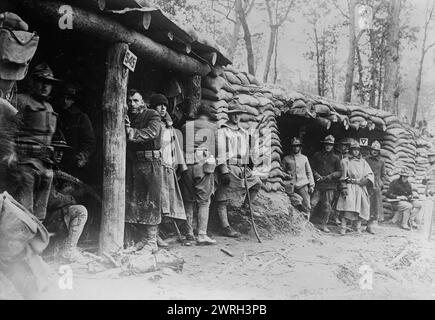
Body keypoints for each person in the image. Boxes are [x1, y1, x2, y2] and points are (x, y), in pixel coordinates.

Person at [14, 63, 61, 220]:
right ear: (32, 82)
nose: (45, 86)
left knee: (40, 214)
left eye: (49, 83)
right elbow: (7, 131)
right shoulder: (21, 101)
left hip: (45, 166)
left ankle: (35, 239)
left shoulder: (49, 107)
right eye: (41, 81)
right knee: (23, 212)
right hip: (24, 164)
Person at [215, 104, 262, 238]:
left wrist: (249, 165)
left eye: (238, 113)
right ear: (229, 114)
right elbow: (221, 152)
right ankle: (225, 226)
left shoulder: (243, 132)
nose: (236, 116)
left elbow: (248, 152)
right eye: (234, 113)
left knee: (257, 183)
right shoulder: (223, 131)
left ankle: (246, 207)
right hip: (229, 166)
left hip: (242, 167)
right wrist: (223, 171)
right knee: (222, 196)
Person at [125, 90, 163, 253]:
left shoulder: (152, 114)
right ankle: (143, 239)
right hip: (137, 163)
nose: (132, 104)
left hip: (151, 162)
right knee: (138, 200)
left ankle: (152, 242)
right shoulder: (130, 118)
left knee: (151, 200)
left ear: (143, 102)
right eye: (129, 101)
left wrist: (131, 132)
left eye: (135, 101)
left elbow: (152, 132)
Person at [44, 136, 88, 263]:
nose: (59, 154)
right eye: (56, 149)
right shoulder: (46, 169)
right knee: (80, 211)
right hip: (42, 217)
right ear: (49, 149)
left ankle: (63, 248)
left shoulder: (52, 167)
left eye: (62, 151)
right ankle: (68, 251)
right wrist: (70, 198)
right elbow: (51, 200)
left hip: (45, 214)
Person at [153, 94, 187, 247]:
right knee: (157, 201)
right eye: (159, 106)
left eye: (164, 106)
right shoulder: (153, 124)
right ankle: (154, 236)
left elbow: (174, 147)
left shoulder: (169, 126)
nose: (162, 108)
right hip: (156, 167)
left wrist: (178, 165)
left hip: (168, 168)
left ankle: (160, 233)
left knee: (167, 202)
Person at [180, 105, 218, 245]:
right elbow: (218, 149)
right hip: (203, 166)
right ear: (208, 115)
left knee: (188, 200)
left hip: (187, 166)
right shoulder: (213, 128)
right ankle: (202, 235)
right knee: (204, 201)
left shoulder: (185, 126)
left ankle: (189, 233)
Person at [56, 83, 95, 180]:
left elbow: (89, 142)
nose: (65, 101)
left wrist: (82, 156)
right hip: (57, 160)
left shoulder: (81, 117)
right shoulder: (55, 115)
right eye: (63, 98)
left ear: (73, 100)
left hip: (74, 163)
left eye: (68, 98)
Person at [336, 141, 374, 235]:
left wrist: (366, 180)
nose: (356, 152)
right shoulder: (345, 161)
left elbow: (369, 173)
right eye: (354, 150)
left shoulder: (363, 162)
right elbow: (342, 176)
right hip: (350, 186)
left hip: (360, 186)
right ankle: (343, 228)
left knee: (360, 207)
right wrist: (344, 187)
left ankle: (358, 228)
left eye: (357, 150)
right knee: (347, 207)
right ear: (351, 150)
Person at [310, 135, 341, 233]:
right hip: (318, 184)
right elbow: (311, 168)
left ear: (333, 146)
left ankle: (324, 225)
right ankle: (307, 223)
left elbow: (340, 172)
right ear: (324, 145)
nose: (328, 146)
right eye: (327, 144)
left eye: (330, 145)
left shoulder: (336, 158)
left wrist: (331, 176)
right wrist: (316, 175)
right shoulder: (317, 155)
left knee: (327, 206)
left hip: (330, 185)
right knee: (313, 203)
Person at [282, 137, 315, 218]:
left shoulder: (304, 158)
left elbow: (309, 172)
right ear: (292, 147)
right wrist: (286, 175)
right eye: (294, 146)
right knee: (293, 203)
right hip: (290, 185)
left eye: (297, 146)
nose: (296, 148)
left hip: (303, 184)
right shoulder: (286, 158)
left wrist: (311, 185)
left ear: (300, 147)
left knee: (306, 204)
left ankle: (307, 224)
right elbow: (281, 171)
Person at [365, 140, 386, 233]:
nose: (374, 151)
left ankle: (370, 225)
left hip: (376, 186)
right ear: (370, 150)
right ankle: (357, 224)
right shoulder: (365, 159)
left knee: (374, 206)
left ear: (379, 152)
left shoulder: (381, 161)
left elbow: (383, 175)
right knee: (364, 203)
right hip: (366, 184)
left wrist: (381, 183)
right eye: (373, 150)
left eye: (376, 150)